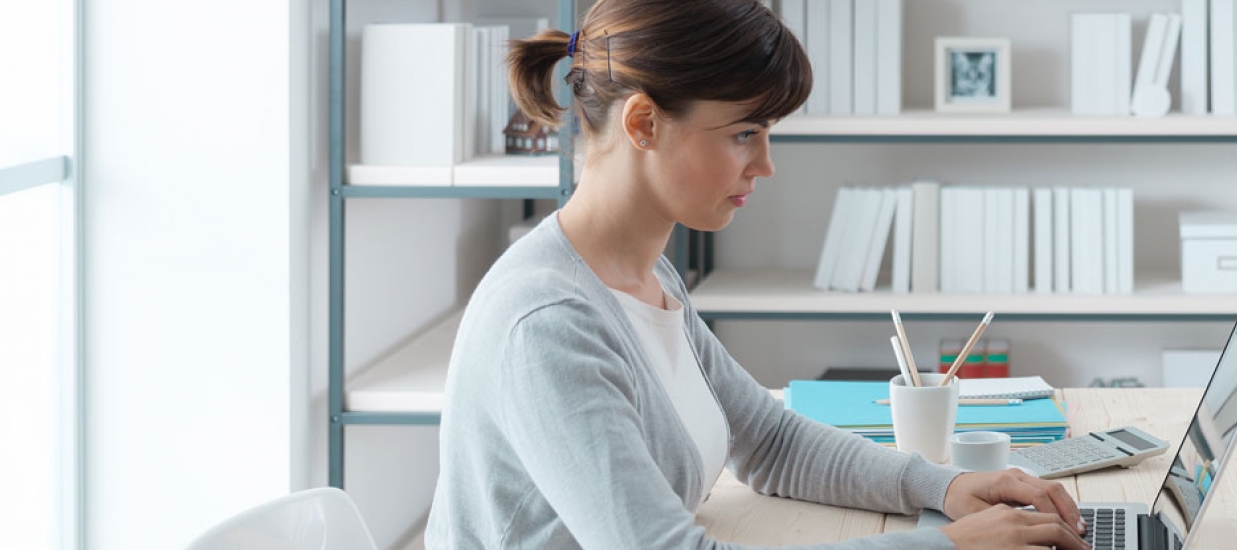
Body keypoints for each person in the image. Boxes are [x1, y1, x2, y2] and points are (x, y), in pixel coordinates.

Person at [424, 1, 1089, 548]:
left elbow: (769, 442)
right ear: (644, 123)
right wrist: (946, 545)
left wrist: (941, 487)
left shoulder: (645, 275)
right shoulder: (546, 325)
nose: (765, 164)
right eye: (744, 133)